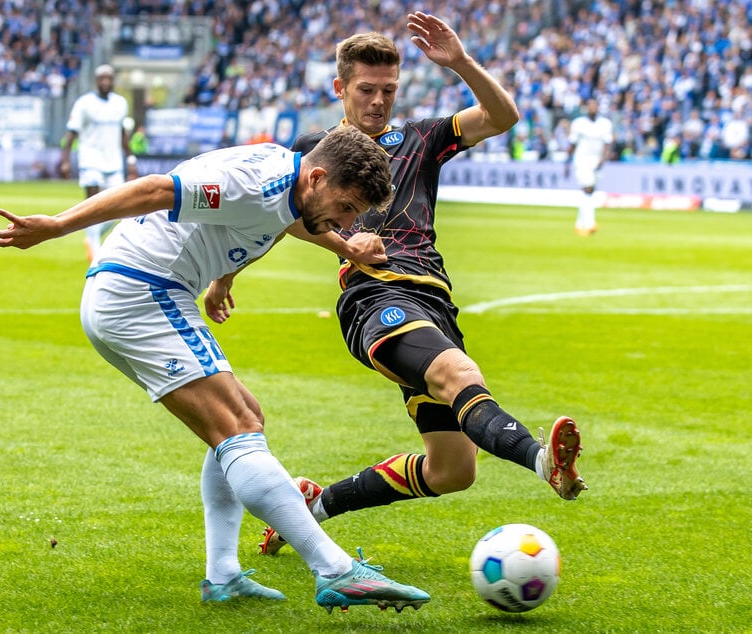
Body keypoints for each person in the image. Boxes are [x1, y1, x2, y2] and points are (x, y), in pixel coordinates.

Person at [0, 126, 430, 614]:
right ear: (318, 176)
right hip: (140, 291)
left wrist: (228, 279)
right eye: (346, 209)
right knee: (237, 429)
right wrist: (57, 226)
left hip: (147, 290)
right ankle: (336, 569)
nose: (346, 221)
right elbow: (156, 189)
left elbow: (277, 221)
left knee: (245, 419)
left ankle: (223, 577)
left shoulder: (292, 183)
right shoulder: (253, 185)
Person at [257, 13, 587, 557]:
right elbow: (278, 215)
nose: (378, 101)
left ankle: (313, 506)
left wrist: (459, 63)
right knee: (458, 374)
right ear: (340, 88)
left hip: (433, 300)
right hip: (374, 297)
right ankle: (541, 461)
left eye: (388, 90)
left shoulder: (421, 137)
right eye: (366, 90)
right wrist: (340, 248)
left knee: (452, 470)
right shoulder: (315, 150)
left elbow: (503, 116)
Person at [59, 64, 139, 263]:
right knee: (93, 204)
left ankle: (91, 236)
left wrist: (130, 160)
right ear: (96, 80)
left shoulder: (120, 103)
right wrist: (65, 160)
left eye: (109, 78)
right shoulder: (84, 103)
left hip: (113, 162)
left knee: (121, 207)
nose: (105, 82)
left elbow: (122, 135)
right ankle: (95, 255)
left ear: (113, 81)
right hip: (90, 159)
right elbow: (71, 133)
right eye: (102, 78)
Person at [565, 97, 613, 236]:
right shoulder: (578, 123)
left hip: (596, 160)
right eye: (590, 106)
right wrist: (567, 163)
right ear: (586, 108)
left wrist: (603, 159)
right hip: (582, 159)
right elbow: (572, 144)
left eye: (595, 106)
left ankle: (579, 224)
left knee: (590, 192)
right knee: (588, 188)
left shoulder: (605, 124)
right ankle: (591, 223)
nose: (593, 108)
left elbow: (607, 143)